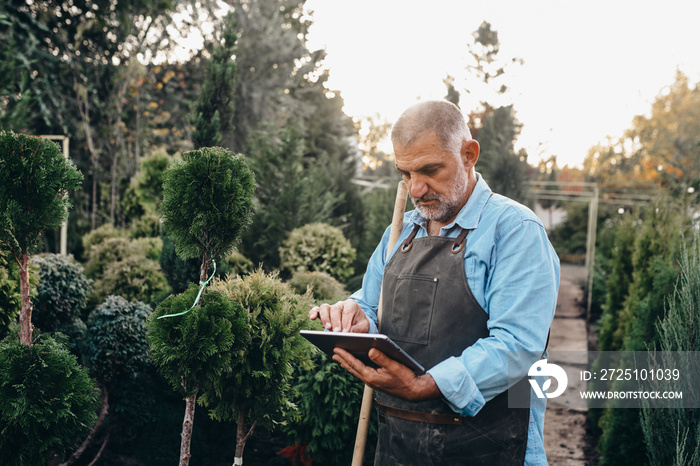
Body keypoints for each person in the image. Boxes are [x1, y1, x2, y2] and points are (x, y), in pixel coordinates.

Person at [309, 100, 560, 465]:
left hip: (491, 449)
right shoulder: (400, 233)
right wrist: (357, 319)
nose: (415, 188)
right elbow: (371, 304)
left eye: (429, 170)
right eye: (406, 173)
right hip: (401, 448)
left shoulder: (515, 231)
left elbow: (518, 347)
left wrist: (423, 386)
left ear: (469, 154)